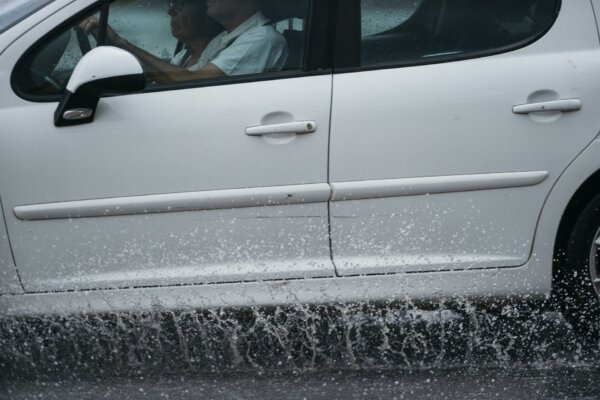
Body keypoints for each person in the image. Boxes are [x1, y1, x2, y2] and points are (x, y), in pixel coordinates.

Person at [80, 0, 223, 81]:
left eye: (180, 5)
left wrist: (121, 43)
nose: (170, 12)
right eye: (171, 5)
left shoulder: (221, 50)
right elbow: (162, 78)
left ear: (206, 13)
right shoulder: (182, 57)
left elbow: (194, 82)